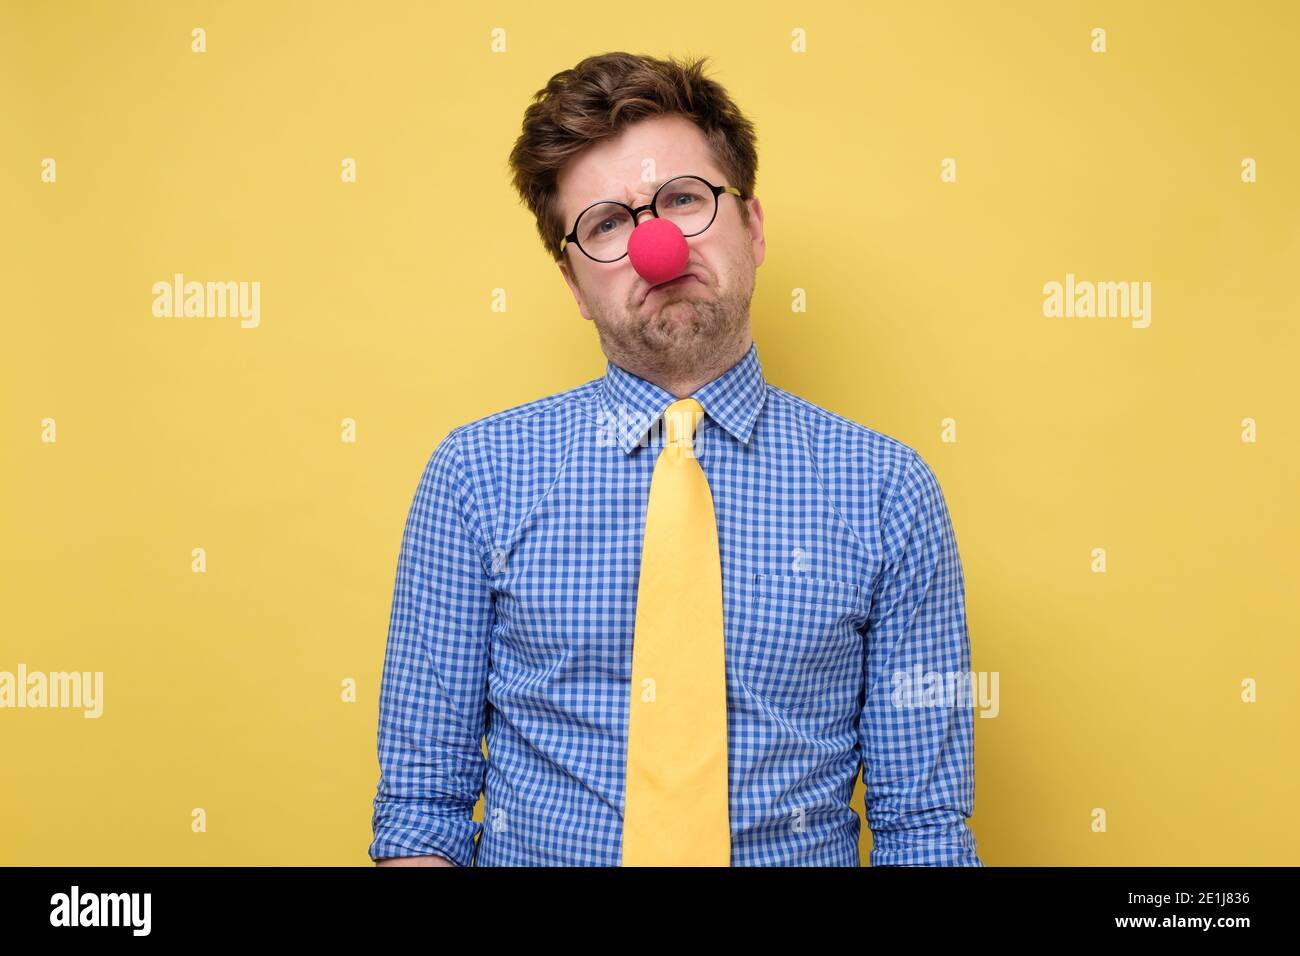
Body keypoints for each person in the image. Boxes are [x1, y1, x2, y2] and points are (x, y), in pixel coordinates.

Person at [370, 51, 982, 867]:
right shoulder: (475, 476)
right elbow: (423, 810)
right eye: (607, 224)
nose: (654, 243)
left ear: (754, 227)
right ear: (573, 282)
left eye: (683, 199)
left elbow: (924, 832)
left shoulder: (888, 490)